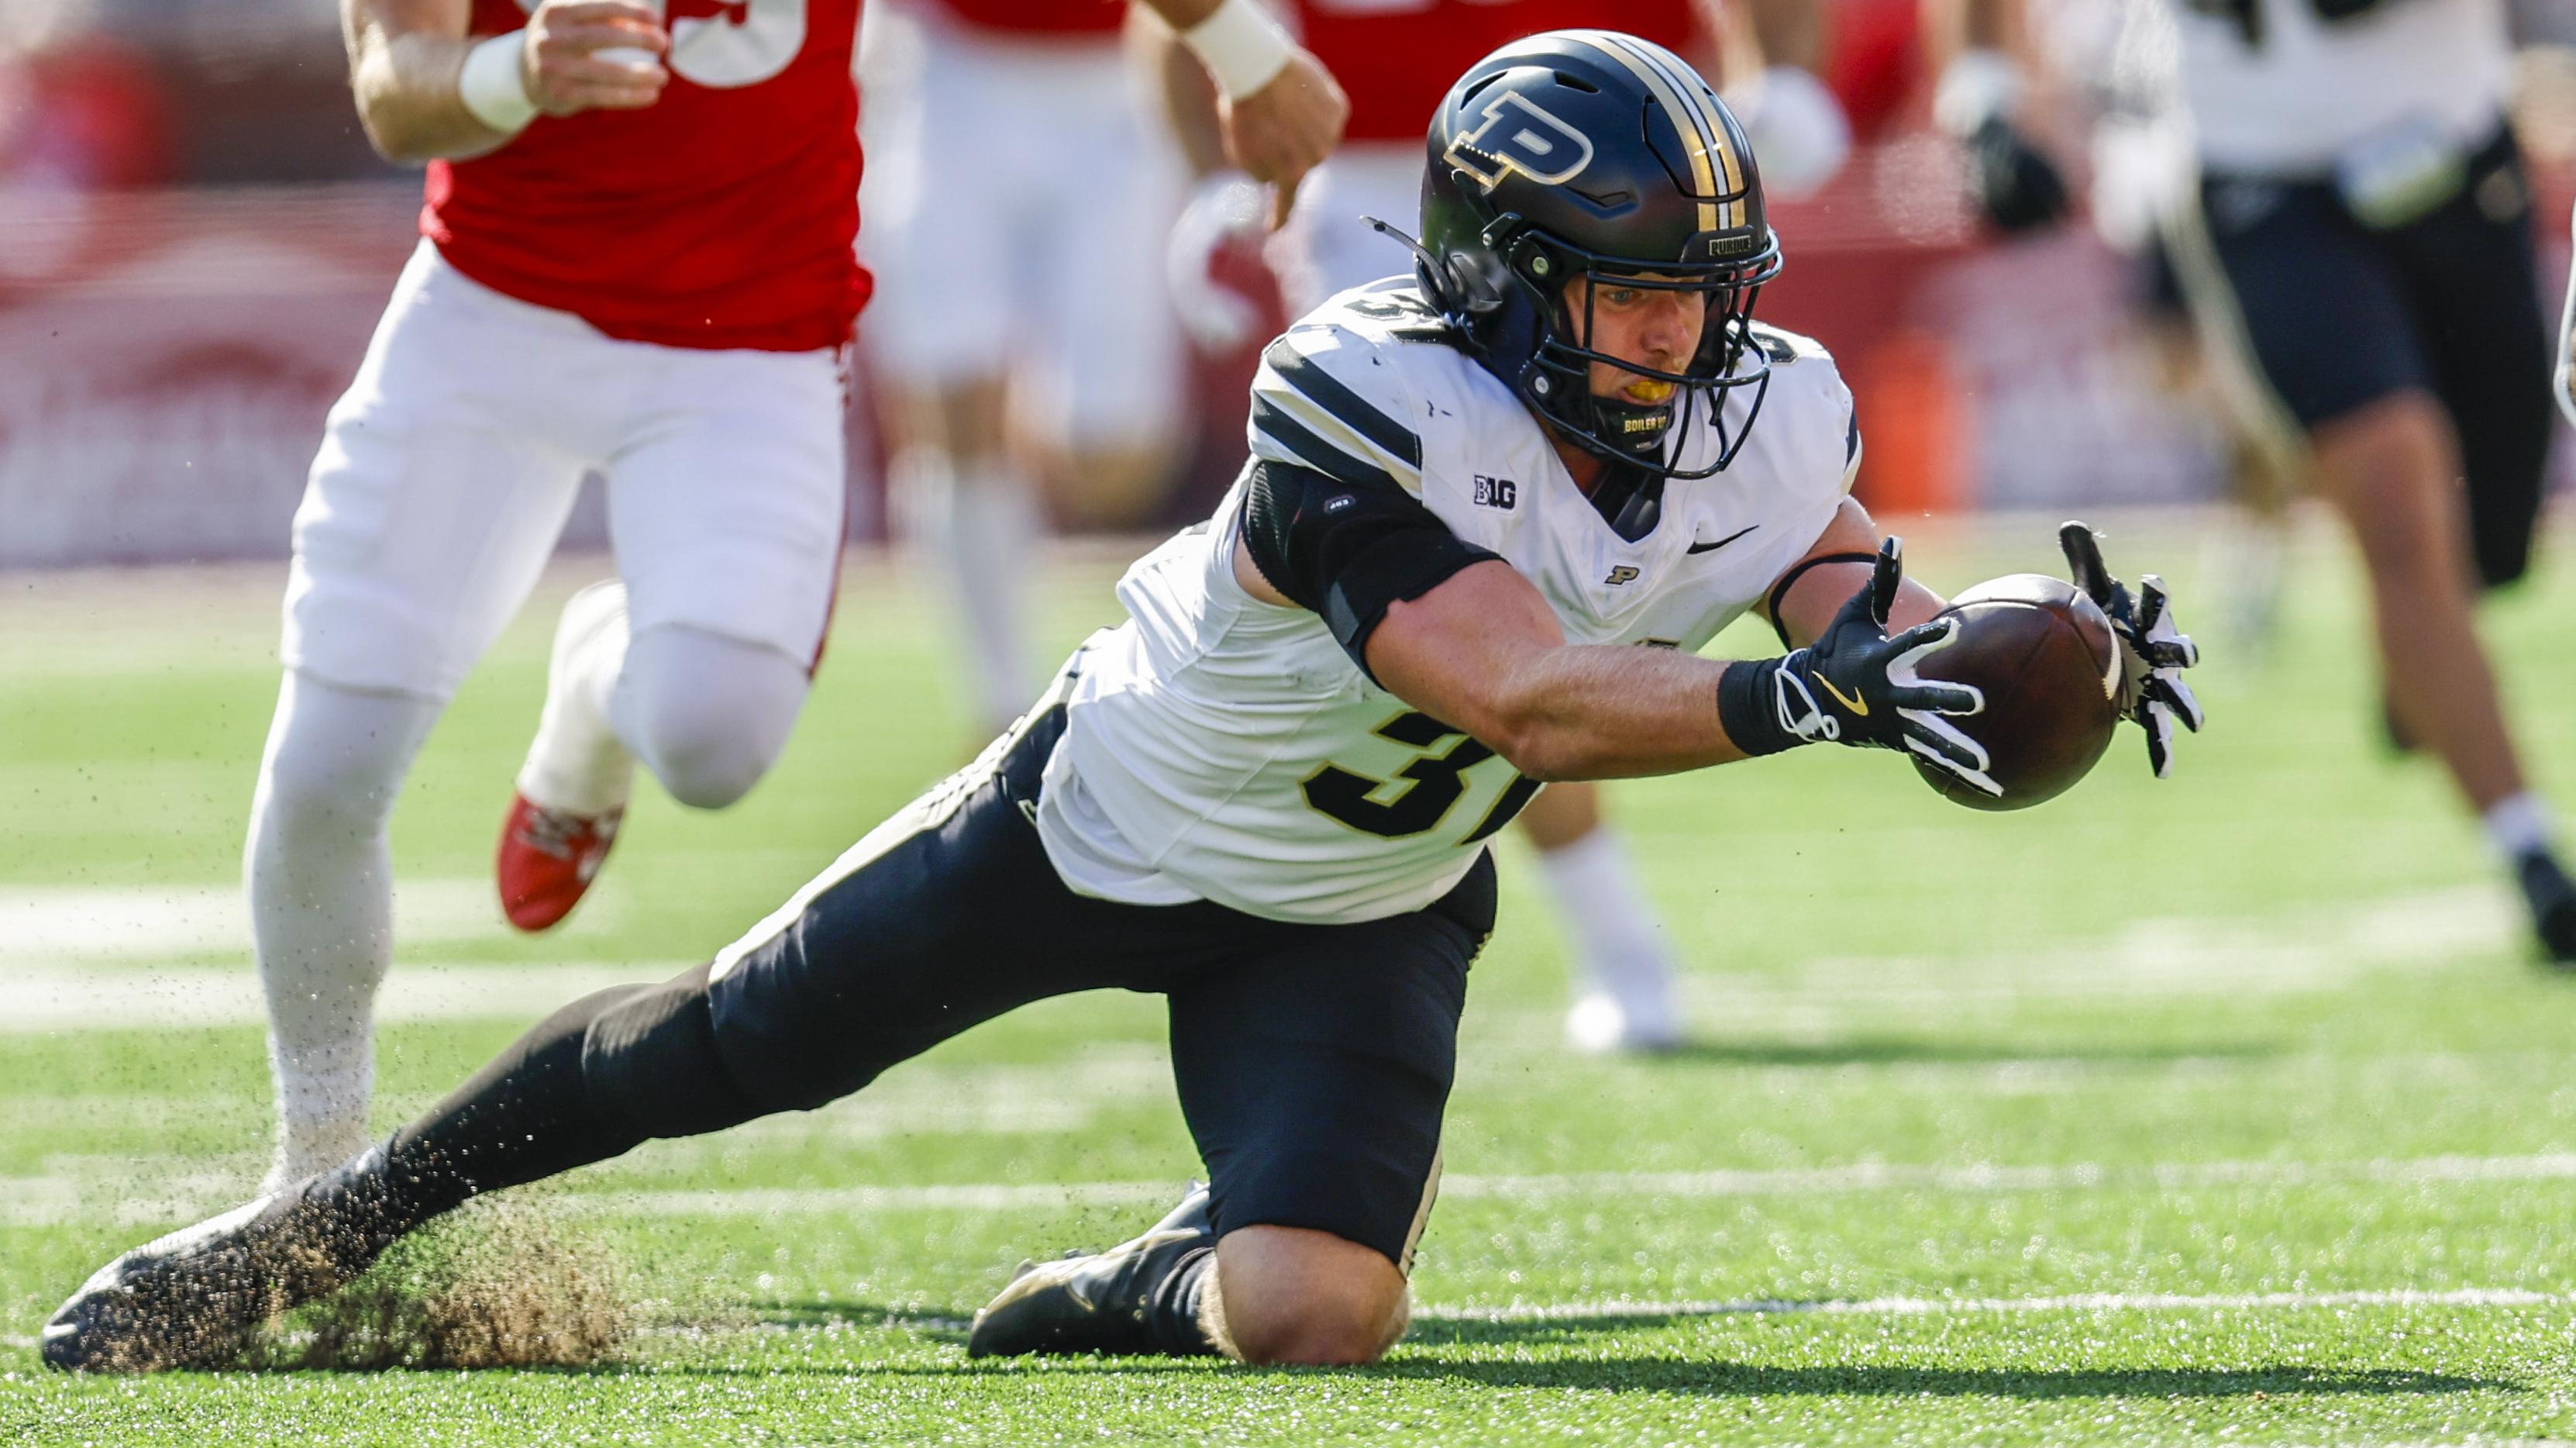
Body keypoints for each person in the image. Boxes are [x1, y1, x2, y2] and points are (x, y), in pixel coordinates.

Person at [45, 30, 2196, 1375]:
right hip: (1110, 811)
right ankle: (315, 1223)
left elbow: (1843, 587)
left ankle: (1143, 1272)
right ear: (1502, 271)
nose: (1684, 338)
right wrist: (1810, 709)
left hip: (1359, 900)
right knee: (728, 1047)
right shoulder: (1363, 395)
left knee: (1316, 1316)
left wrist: (1982, 655)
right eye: (1636, 288)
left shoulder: (1752, 406)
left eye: (1705, 293)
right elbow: (1524, 694)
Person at [250, 0, 1353, 1194]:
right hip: (488, 319)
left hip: (744, 336)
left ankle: (595, 682)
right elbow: (396, 92)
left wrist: (1245, 50)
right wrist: (518, 68)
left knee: (711, 737)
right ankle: (311, 1175)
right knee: (327, 764)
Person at [1157, 1, 1851, 1054]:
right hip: (1395, 191)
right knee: (1484, 601)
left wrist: (1775, 68)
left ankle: (1616, 942)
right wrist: (1216, 135)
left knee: (1581, 555)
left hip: (1630, 199)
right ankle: (1615, 938)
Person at [1934, 0, 2575, 965]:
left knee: (2488, 546)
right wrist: (1982, 99)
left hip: (2458, 154)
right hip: (2263, 187)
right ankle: (2531, 856)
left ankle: (2424, 666)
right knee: (2397, 506)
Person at [862, 0, 1190, 740]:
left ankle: (1028, 419)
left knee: (1112, 459)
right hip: (949, 70)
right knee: (950, 397)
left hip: (1116, 72)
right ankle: (1001, 705)